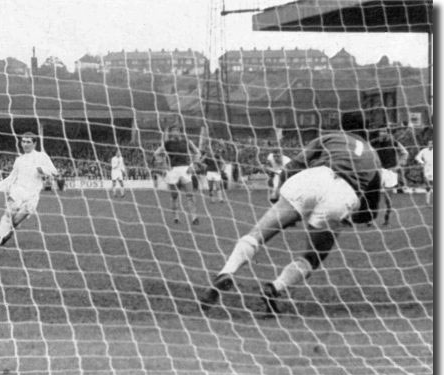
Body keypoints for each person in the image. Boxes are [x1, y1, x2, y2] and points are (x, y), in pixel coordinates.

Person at [200, 132, 382, 316]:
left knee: (257, 235)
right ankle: (275, 288)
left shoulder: (332, 137)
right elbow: (370, 212)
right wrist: (347, 217)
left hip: (312, 178)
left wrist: (281, 194)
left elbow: (295, 164)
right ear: (367, 132)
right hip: (343, 193)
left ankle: (226, 272)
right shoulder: (374, 157)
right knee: (313, 257)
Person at [0, 132, 58, 247]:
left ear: (34, 143)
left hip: (32, 196)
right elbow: (11, 178)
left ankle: (8, 232)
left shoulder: (42, 156)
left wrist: (43, 170)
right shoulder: (19, 160)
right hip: (17, 191)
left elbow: (55, 172)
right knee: (8, 214)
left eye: (28, 142)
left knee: (15, 221)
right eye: (23, 141)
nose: (25, 144)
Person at [153, 123, 201, 225]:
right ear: (170, 133)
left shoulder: (187, 142)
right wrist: (164, 165)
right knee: (174, 195)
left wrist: (192, 166)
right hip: (172, 171)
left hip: (185, 169)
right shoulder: (167, 144)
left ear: (179, 132)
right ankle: (176, 217)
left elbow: (197, 152)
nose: (174, 132)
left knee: (190, 195)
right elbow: (156, 153)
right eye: (172, 130)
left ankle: (194, 218)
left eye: (176, 130)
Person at [415, 140, 433, 205]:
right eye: (429, 143)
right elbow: (417, 157)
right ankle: (427, 202)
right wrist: (422, 162)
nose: (430, 145)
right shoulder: (424, 150)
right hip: (427, 170)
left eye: (432, 144)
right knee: (428, 186)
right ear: (428, 144)